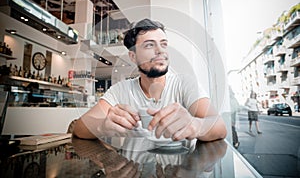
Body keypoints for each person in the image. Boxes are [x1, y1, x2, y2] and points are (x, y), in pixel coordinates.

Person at [73, 18, 227, 142]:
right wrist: (102, 127)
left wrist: (195, 124)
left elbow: (219, 127)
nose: (160, 50)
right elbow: (79, 128)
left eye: (163, 44)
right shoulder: (120, 90)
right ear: (133, 56)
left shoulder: (185, 84)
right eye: (149, 45)